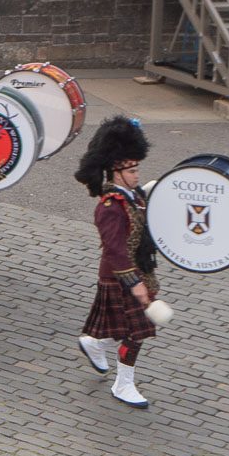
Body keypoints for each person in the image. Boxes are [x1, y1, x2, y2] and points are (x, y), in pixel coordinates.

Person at [74, 116, 161, 409]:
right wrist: (134, 283)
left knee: (131, 328)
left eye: (137, 169)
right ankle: (124, 384)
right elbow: (114, 250)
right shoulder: (110, 207)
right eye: (132, 170)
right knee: (136, 333)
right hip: (120, 277)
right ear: (116, 171)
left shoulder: (133, 196)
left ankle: (95, 343)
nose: (137, 175)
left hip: (140, 272)